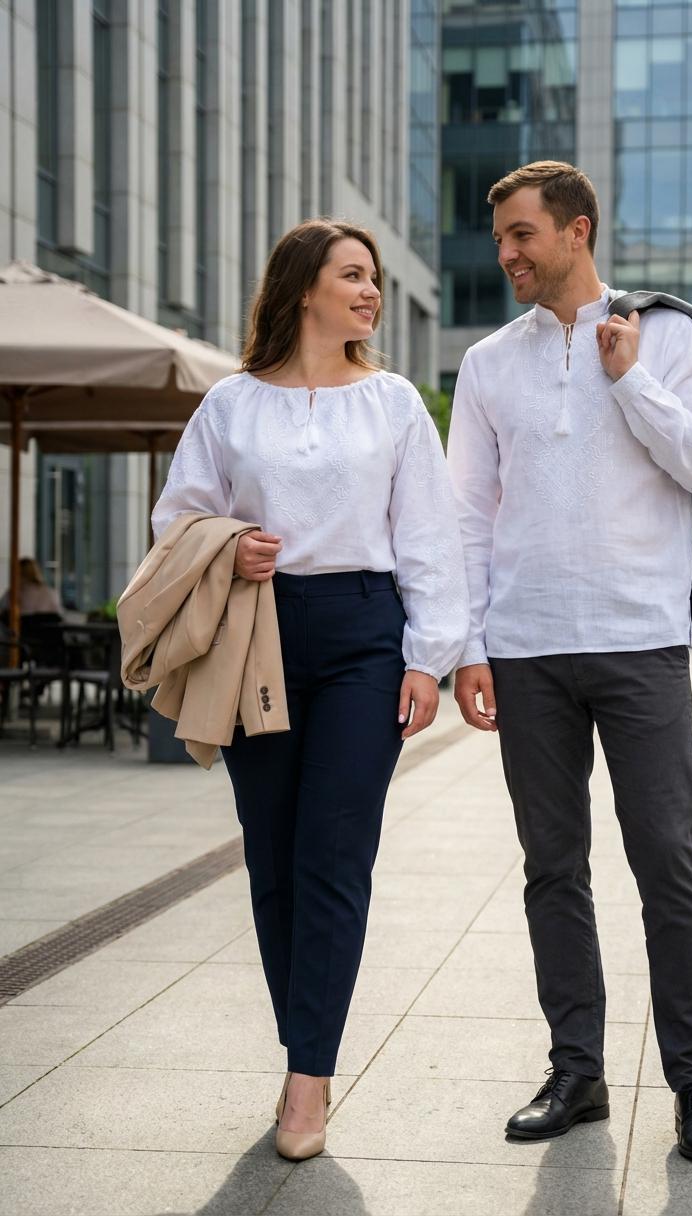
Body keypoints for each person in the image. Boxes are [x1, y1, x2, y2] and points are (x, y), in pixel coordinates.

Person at [151, 218, 468, 1161]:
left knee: (335, 854)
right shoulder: (231, 406)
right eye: (355, 275)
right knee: (274, 860)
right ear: (302, 291)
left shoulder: (397, 403)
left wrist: (428, 658)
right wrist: (227, 542)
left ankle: (308, 1077)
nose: (371, 292)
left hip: (365, 640)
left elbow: (429, 537)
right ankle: (306, 1045)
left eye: (372, 277)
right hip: (255, 636)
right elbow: (177, 518)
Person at [447, 161, 692, 1162]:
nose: (508, 254)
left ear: (577, 230)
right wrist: (468, 646)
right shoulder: (487, 362)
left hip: (638, 642)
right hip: (527, 650)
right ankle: (577, 1071)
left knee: (668, 862)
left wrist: (631, 377)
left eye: (523, 234)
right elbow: (467, 517)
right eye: (500, 239)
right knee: (551, 868)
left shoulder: (665, 336)